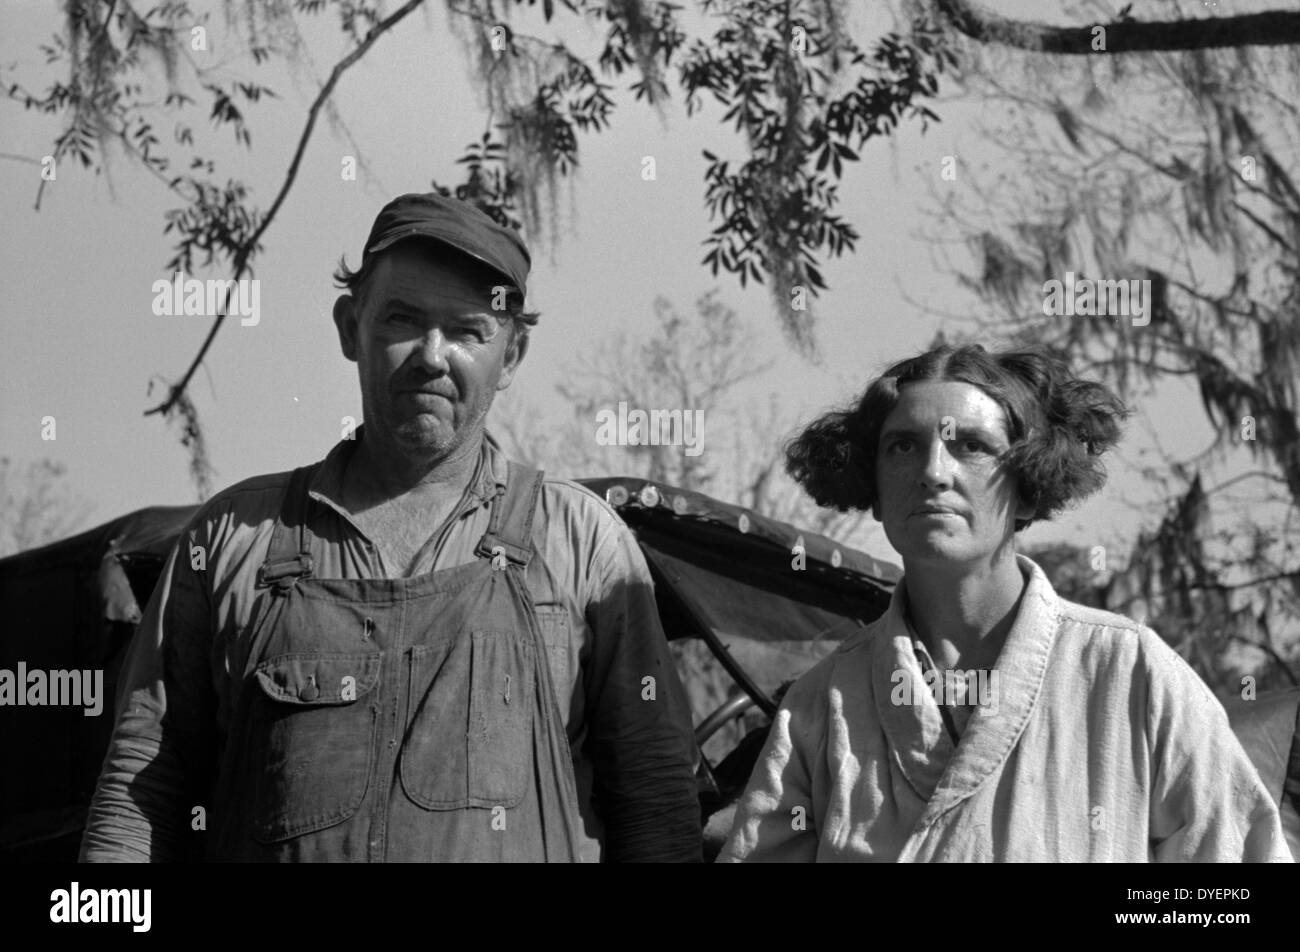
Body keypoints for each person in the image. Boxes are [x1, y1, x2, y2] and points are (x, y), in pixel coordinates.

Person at [80, 193, 702, 862]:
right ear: (351, 327)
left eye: (468, 330)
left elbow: (657, 806)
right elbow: (143, 795)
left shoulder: (580, 545)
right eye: (403, 319)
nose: (432, 355)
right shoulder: (232, 541)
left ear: (512, 354)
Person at [719, 343, 1290, 862]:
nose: (932, 472)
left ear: (1027, 484)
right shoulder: (822, 704)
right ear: (873, 487)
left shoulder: (1129, 674)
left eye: (970, 446)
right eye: (902, 446)